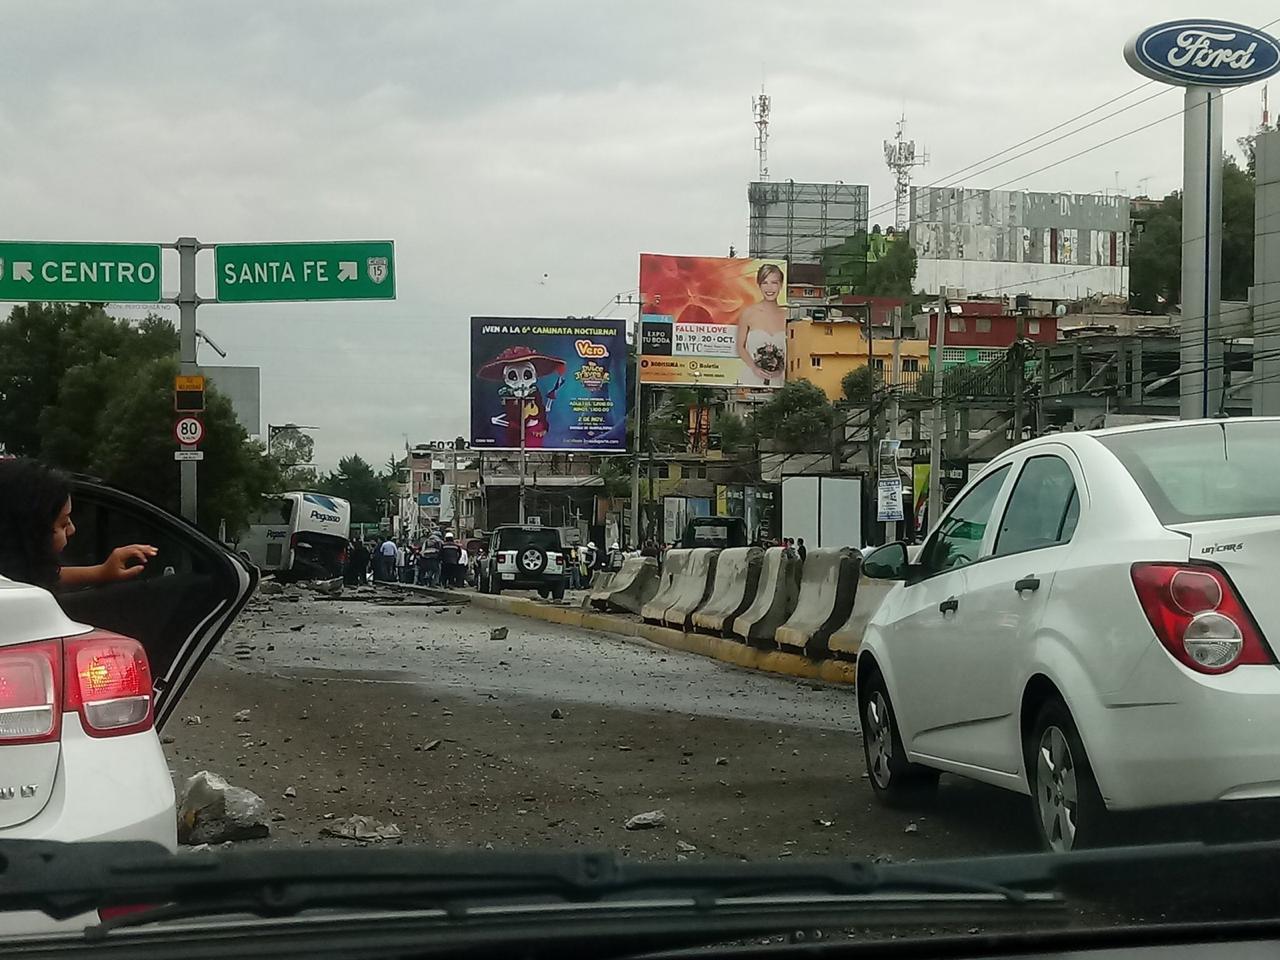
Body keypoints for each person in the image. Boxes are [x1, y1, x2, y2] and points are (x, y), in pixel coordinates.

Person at [0, 458, 157, 592]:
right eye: (63, 523)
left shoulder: (12, 583)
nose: (72, 529)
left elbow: (41, 575)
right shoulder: (22, 599)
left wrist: (102, 572)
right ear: (32, 531)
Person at [735, 263, 786, 386]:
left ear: (781, 285)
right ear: (759, 285)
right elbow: (740, 347)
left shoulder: (788, 316)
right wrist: (754, 368)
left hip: (780, 382)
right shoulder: (748, 313)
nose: (769, 288)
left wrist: (780, 369)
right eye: (765, 283)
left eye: (774, 283)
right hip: (752, 379)